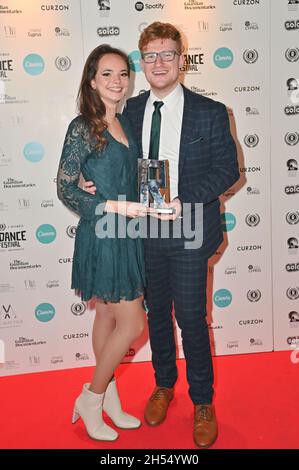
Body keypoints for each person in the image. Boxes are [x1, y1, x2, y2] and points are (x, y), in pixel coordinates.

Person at [85, 22, 240, 448]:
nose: (158, 62)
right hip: (143, 230)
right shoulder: (130, 109)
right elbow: (106, 153)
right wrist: (88, 180)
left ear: (181, 60)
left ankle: (203, 401)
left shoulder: (211, 110)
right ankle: (164, 385)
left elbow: (229, 170)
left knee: (190, 316)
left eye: (167, 54)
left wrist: (186, 198)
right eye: (150, 55)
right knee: (154, 319)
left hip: (190, 226)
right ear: (142, 62)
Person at [56, 44, 150, 442]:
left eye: (123, 74)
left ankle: (109, 396)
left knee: (109, 319)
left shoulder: (126, 123)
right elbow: (64, 187)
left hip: (129, 233)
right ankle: (91, 397)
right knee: (133, 323)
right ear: (92, 82)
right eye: (107, 74)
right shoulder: (83, 126)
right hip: (103, 233)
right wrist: (107, 203)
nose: (117, 81)